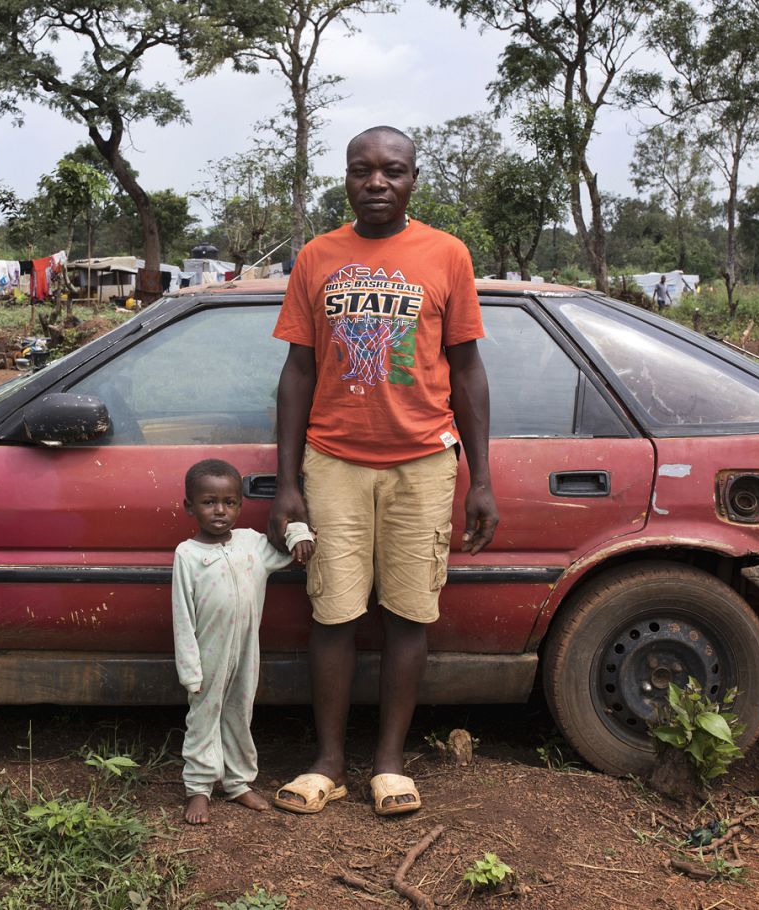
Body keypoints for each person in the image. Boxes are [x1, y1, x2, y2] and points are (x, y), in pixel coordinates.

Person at [269, 125, 498, 818]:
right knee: (333, 614)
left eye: (392, 171)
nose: (377, 182)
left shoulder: (446, 255)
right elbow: (297, 371)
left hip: (424, 464)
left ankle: (390, 764)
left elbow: (466, 370)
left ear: (412, 180)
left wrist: (480, 477)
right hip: (333, 461)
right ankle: (329, 763)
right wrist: (286, 481)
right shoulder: (318, 256)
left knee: (407, 613)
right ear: (345, 178)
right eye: (363, 170)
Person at [173, 459, 315, 825]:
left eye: (229, 502)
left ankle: (237, 783)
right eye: (209, 502)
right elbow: (182, 617)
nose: (220, 511)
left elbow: (288, 547)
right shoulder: (187, 555)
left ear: (240, 504)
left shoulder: (252, 544)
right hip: (208, 655)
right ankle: (199, 787)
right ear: (190, 506)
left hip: (246, 651)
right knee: (204, 718)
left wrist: (300, 534)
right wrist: (190, 669)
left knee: (239, 714)